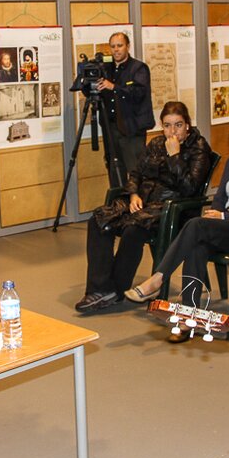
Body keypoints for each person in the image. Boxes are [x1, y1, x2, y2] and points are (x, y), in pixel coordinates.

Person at [124, 110, 229, 313]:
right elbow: (220, 198)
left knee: (195, 225)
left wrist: (224, 216)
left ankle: (158, 278)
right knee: (197, 245)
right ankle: (189, 315)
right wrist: (215, 213)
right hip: (226, 225)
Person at [77, 101, 211, 313]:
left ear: (187, 125)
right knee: (99, 220)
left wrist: (175, 156)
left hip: (172, 209)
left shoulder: (199, 148)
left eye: (178, 125)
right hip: (144, 203)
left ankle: (116, 290)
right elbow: (136, 173)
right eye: (167, 125)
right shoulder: (157, 143)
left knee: (134, 229)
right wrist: (133, 194)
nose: (172, 131)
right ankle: (100, 288)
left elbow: (189, 188)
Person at [97, 32, 155, 177]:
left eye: (120, 45)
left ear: (127, 46)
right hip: (111, 129)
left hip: (132, 129)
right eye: (113, 46)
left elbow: (138, 93)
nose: (116, 49)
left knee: (136, 171)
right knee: (114, 170)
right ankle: (118, 200)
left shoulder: (138, 68)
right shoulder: (105, 68)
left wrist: (114, 87)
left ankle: (137, 199)